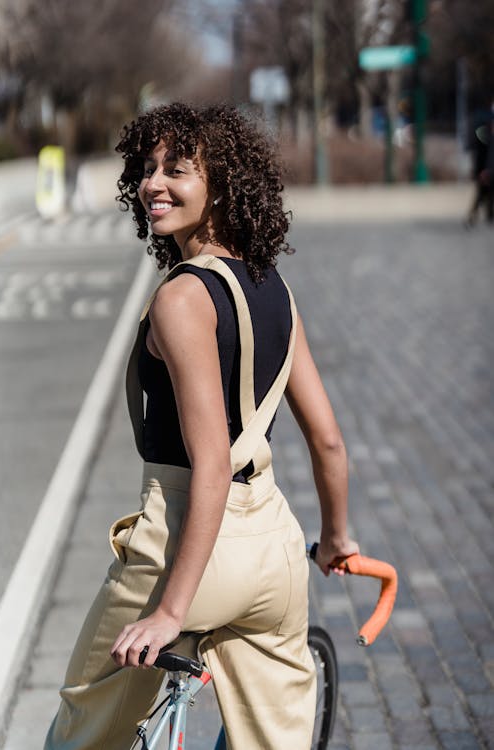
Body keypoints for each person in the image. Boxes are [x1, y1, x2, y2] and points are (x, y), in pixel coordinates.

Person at [44, 102, 358, 750]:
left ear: (222, 184)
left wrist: (169, 611)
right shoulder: (275, 288)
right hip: (272, 551)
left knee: (82, 730)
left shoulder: (181, 298)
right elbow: (327, 438)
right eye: (148, 169)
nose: (155, 183)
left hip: (182, 549)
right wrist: (336, 538)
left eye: (178, 169)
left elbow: (210, 465)